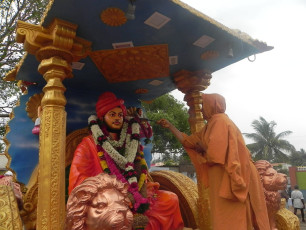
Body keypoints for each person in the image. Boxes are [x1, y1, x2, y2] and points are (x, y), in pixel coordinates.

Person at [69, 92, 184, 230]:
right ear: (102, 118)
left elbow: (139, 170)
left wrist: (142, 187)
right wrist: (116, 192)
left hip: (137, 194)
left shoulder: (130, 142)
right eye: (112, 115)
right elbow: (79, 181)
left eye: (120, 115)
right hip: (108, 199)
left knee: (170, 199)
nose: (117, 119)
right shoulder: (88, 144)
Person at [157, 93, 270, 230]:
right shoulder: (210, 125)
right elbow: (188, 141)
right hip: (226, 175)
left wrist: (203, 149)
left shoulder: (220, 120)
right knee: (226, 217)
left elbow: (216, 154)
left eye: (203, 106)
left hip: (231, 175)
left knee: (229, 219)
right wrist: (170, 126)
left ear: (213, 105)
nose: (201, 110)